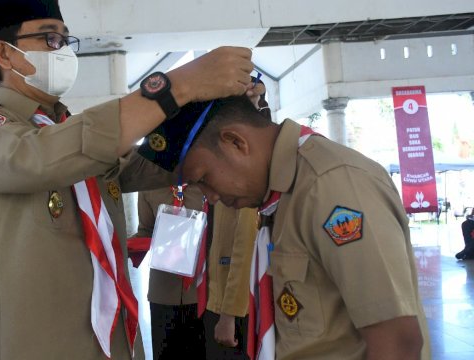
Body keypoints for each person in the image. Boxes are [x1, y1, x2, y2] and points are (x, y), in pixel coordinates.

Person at [0, 0, 255, 359]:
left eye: (66, 40)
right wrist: (175, 88)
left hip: (110, 342)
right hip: (37, 344)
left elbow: (145, 164)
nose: (62, 50)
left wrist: (207, 111)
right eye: (50, 38)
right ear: (5, 53)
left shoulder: (69, 132)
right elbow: (41, 157)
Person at [137, 93, 430, 359]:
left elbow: (397, 342)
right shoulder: (280, 193)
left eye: (204, 178)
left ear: (236, 142)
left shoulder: (331, 185)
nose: (210, 196)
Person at [131, 185, 206, 359]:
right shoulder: (149, 185)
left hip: (201, 291)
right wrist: (119, 247)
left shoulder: (207, 184)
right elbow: (145, 231)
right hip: (162, 292)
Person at [204, 202, 257, 360]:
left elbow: (245, 250)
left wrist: (229, 313)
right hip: (210, 297)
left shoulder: (243, 185)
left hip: (230, 308)